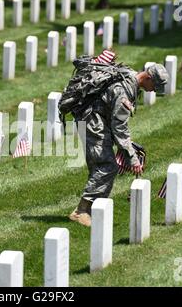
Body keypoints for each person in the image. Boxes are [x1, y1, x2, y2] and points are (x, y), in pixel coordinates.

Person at [66, 53, 169, 227]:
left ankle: (92, 209)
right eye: (154, 86)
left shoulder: (129, 75)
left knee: (100, 166)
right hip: (93, 123)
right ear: (148, 78)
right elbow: (120, 128)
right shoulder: (124, 93)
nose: (153, 90)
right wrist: (133, 158)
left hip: (95, 120)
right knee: (107, 166)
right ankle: (80, 211)